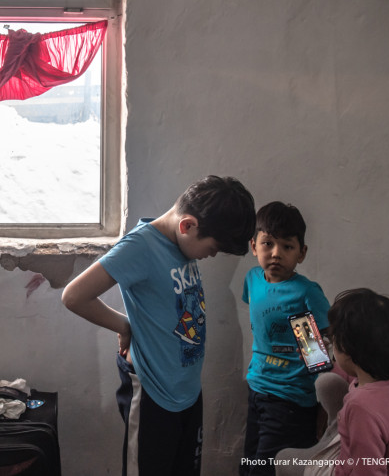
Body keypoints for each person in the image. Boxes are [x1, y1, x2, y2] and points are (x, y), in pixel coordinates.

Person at [62, 175, 256, 476]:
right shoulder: (141, 246)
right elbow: (74, 296)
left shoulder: (181, 242)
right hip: (153, 392)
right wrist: (125, 326)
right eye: (213, 247)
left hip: (187, 390)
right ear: (187, 225)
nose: (212, 255)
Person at [240, 201, 331, 476]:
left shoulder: (303, 294)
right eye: (268, 244)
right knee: (250, 463)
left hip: (290, 399)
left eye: (287, 247)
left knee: (268, 470)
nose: (276, 254)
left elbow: (317, 353)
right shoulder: (253, 280)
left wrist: (323, 407)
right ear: (254, 246)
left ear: (301, 253)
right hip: (257, 388)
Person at [328, 288, 389, 476]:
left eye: (333, 342)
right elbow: (353, 375)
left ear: (346, 349)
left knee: (285, 458)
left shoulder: (360, 407)